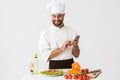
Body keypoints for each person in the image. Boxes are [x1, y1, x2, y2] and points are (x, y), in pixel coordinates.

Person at [39, 1, 80, 69]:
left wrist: (75, 46)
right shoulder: (45, 33)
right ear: (51, 16)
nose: (56, 19)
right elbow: (46, 56)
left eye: (59, 16)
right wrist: (62, 48)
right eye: (54, 16)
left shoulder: (72, 31)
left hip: (70, 65)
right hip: (54, 66)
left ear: (64, 15)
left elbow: (76, 55)